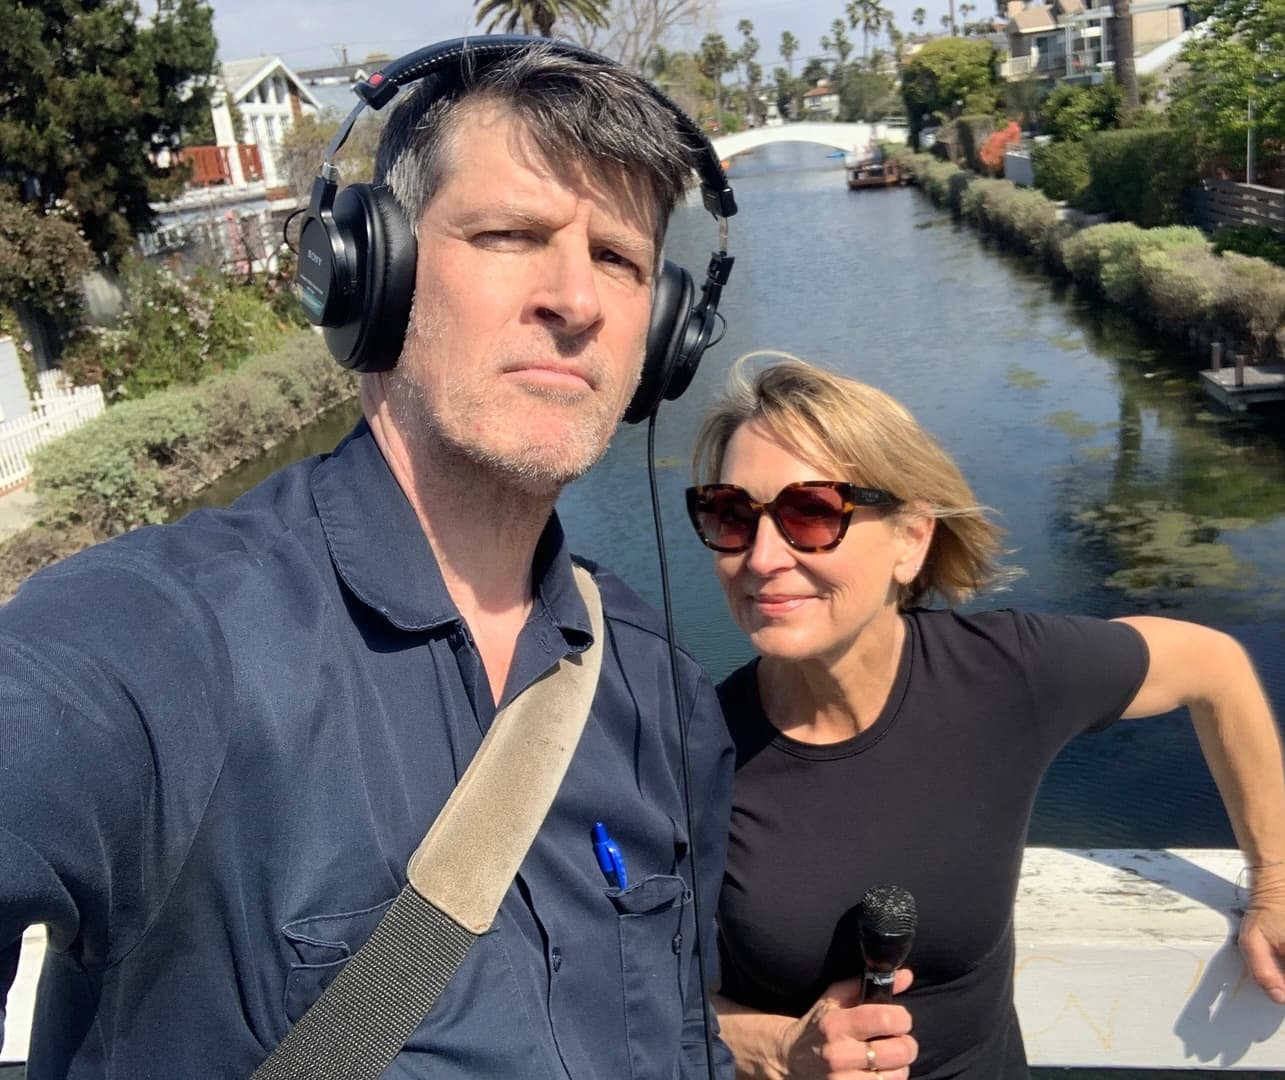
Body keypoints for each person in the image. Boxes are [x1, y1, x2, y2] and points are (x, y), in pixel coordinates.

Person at [0, 42, 735, 1078]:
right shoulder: (167, 639)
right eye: (510, 234)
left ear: (662, 335)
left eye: (617, 258)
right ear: (367, 275)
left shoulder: (661, 686)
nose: (577, 300)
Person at [683, 358, 1285, 1080]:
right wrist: (780, 1051)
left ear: (911, 539)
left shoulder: (1004, 676)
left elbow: (1213, 667)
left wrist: (1278, 886)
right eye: (732, 514)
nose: (761, 556)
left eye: (810, 513)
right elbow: (632, 993)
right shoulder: (689, 747)